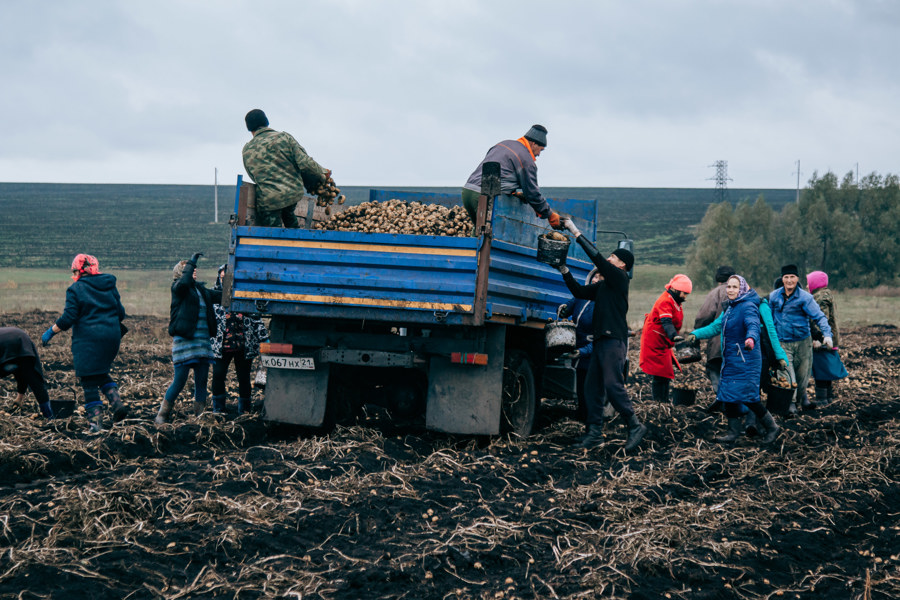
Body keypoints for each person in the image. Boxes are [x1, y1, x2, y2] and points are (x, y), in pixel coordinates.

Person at [557, 217, 646, 451]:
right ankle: (594, 433)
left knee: (612, 385)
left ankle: (635, 425)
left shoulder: (619, 278)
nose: (608, 259)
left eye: (613, 257)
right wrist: (563, 269)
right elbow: (578, 291)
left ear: (623, 264)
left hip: (613, 341)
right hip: (600, 342)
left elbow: (596, 257)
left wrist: (574, 231)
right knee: (591, 388)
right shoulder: (604, 286)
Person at [686, 275, 781, 444]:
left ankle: (772, 428)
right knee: (728, 393)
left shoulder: (748, 306)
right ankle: (733, 432)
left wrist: (750, 339)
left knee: (749, 397)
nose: (730, 290)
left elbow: (753, 325)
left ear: (742, 289)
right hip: (731, 358)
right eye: (729, 287)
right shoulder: (730, 308)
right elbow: (715, 326)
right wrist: (695, 335)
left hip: (747, 359)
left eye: (734, 287)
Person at [40, 254, 129, 431]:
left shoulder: (76, 289)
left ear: (78, 271)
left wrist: (50, 332)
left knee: (88, 380)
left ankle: (95, 425)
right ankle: (117, 404)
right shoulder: (109, 284)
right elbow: (121, 313)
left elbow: (68, 318)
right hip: (112, 339)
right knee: (100, 371)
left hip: (88, 341)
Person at [155, 253, 222, 424]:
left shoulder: (200, 290)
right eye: (190, 270)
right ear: (181, 272)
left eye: (194, 269)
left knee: (202, 382)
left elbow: (220, 296)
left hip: (202, 343)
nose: (194, 272)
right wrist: (192, 261)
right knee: (180, 381)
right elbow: (184, 282)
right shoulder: (178, 288)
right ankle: (162, 416)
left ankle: (199, 418)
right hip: (185, 343)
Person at [242, 109, 330, 228]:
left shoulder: (247, 149)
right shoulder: (284, 138)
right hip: (291, 195)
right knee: (288, 214)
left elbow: (253, 175)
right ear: (267, 122)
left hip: (269, 200)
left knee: (273, 228)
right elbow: (304, 162)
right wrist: (323, 172)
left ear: (249, 129)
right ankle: (295, 234)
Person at [462, 125, 561, 230]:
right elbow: (532, 193)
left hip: (467, 192)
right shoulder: (526, 159)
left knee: (479, 230)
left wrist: (511, 191)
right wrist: (549, 214)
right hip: (483, 197)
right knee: (487, 235)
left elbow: (495, 170)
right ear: (533, 144)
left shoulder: (503, 144)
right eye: (540, 150)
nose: (539, 154)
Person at [768, 264, 832, 412]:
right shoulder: (774, 297)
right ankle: (790, 405)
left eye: (792, 277)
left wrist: (827, 335)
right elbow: (767, 318)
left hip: (803, 342)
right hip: (783, 342)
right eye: (786, 277)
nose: (789, 280)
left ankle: (799, 400)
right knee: (788, 374)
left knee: (802, 378)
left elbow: (819, 317)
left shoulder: (805, 298)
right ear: (782, 279)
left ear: (797, 278)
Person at [210, 265, 269, 416]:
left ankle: (245, 411)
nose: (225, 281)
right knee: (218, 376)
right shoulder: (214, 297)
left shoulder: (244, 296)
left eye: (228, 278)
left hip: (243, 346)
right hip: (221, 347)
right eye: (223, 278)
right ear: (219, 278)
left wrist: (265, 340)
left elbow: (257, 319)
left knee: (243, 378)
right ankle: (218, 409)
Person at [639, 274, 692, 403]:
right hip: (655, 342)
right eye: (683, 293)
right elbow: (666, 321)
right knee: (659, 374)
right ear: (675, 290)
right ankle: (658, 402)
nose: (685, 297)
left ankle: (664, 401)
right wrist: (674, 336)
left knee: (665, 373)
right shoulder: (665, 301)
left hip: (663, 341)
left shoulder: (675, 300)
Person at [558, 269, 599, 423]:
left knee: (590, 393)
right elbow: (568, 306)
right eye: (595, 276)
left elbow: (600, 340)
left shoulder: (604, 304)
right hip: (580, 352)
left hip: (593, 354)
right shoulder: (582, 297)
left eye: (600, 278)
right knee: (582, 391)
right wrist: (563, 310)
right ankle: (584, 422)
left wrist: (582, 351)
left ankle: (592, 427)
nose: (595, 280)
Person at [694, 265, 736, 398]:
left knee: (715, 370)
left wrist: (697, 331)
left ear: (719, 279)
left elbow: (703, 316)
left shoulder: (715, 293)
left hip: (717, 343)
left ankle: (722, 399)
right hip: (739, 345)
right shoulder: (742, 291)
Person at [806, 270, 848, 405]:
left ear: (815, 283)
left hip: (823, 340)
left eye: (809, 283)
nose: (807, 286)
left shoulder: (820, 298)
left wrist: (818, 338)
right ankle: (828, 398)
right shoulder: (827, 296)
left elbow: (822, 319)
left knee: (821, 370)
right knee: (826, 370)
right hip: (829, 339)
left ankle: (822, 400)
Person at [1, 327, 53, 419]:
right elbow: (20, 373)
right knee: (28, 374)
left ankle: (49, 414)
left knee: (33, 378)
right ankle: (48, 413)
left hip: (17, 341)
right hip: (20, 338)